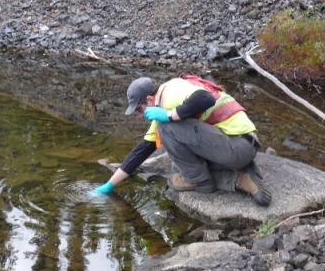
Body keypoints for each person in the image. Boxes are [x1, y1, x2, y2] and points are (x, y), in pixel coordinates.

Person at [92, 75, 272, 206]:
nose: (141, 115)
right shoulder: (163, 106)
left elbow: (205, 98)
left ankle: (201, 182)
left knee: (171, 145)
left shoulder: (172, 91)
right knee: (175, 168)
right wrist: (109, 185)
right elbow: (142, 151)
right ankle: (241, 179)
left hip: (237, 147)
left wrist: (170, 116)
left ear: (148, 99)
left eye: (139, 109)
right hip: (240, 147)